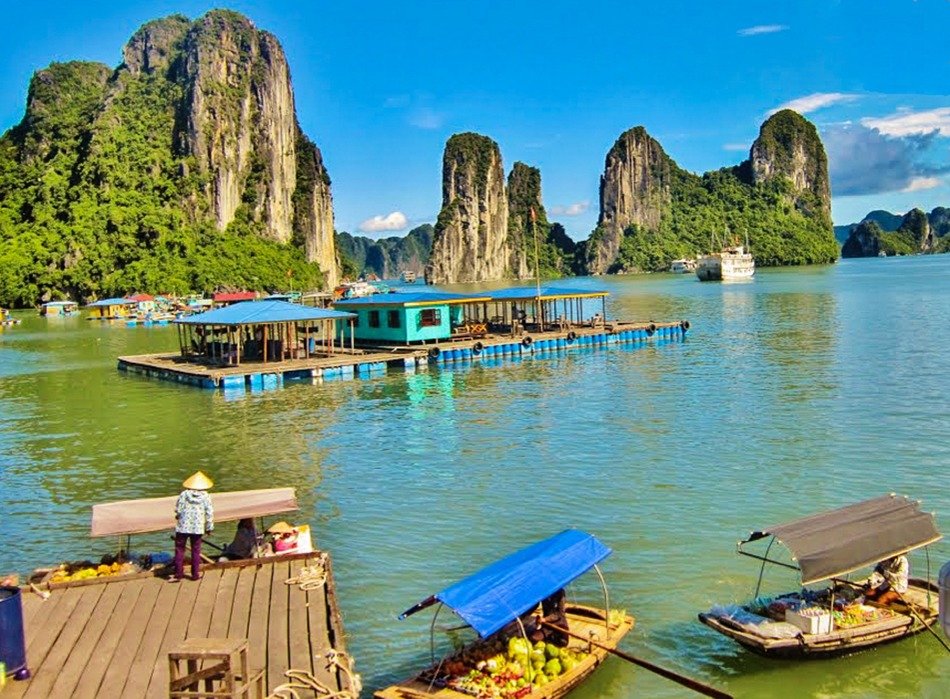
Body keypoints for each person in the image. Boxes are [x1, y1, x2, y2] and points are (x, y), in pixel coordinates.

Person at [172, 470, 214, 582]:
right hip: (197, 528)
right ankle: (195, 575)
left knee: (179, 550)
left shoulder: (184, 494)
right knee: (196, 551)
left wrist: (178, 516)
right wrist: (209, 528)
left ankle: (178, 574)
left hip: (182, 527)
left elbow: (178, 510)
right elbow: (209, 513)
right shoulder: (206, 496)